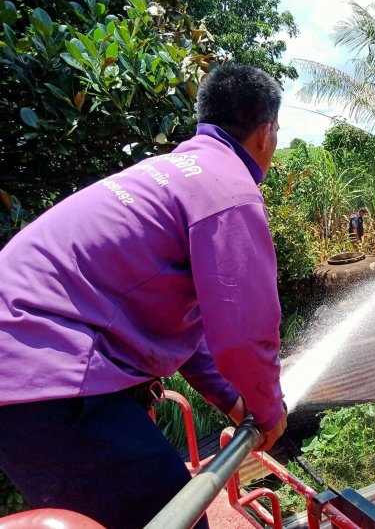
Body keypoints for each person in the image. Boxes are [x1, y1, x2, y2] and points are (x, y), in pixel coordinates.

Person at [0, 65, 287, 528]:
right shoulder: (229, 190)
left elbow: (186, 334)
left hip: (24, 374)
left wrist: (236, 402)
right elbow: (247, 334)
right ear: (264, 132)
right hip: (57, 374)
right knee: (179, 519)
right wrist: (270, 411)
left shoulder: (167, 174)